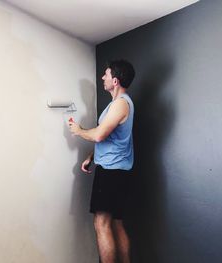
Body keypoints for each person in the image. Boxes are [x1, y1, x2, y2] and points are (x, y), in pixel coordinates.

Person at [68, 59, 135, 263]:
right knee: (115, 223)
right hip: (118, 171)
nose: (102, 77)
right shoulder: (119, 104)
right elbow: (111, 138)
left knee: (102, 224)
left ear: (115, 81)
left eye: (105, 74)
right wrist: (92, 157)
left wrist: (79, 131)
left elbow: (99, 135)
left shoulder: (121, 104)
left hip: (111, 173)